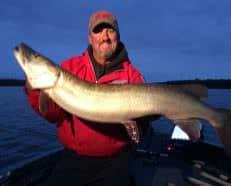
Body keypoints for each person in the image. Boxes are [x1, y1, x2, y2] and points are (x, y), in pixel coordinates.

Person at [24, 10, 146, 186]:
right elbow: (53, 115)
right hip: (75, 160)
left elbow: (143, 124)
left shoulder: (132, 75)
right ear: (90, 38)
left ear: (117, 36)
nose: (105, 36)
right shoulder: (69, 68)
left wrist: (142, 121)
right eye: (98, 31)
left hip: (116, 162)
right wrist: (35, 91)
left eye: (110, 30)